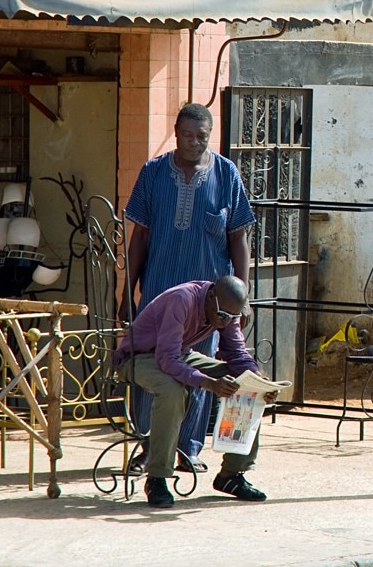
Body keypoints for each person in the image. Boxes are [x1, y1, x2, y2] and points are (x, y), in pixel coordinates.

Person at [124, 102, 256, 472]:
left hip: (209, 304)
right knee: (158, 370)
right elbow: (139, 238)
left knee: (203, 371)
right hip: (159, 293)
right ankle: (149, 448)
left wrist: (241, 297)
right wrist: (126, 293)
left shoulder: (226, 174)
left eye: (202, 136)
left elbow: (239, 237)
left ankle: (188, 448)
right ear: (176, 133)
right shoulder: (153, 173)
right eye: (187, 135)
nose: (195, 142)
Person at [114, 275, 274, 507]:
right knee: (172, 389)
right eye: (222, 315)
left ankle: (232, 475)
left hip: (179, 353)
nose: (224, 321)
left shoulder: (226, 310)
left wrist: (258, 380)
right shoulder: (182, 300)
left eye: (231, 317)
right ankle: (157, 477)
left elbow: (237, 354)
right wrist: (208, 383)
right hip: (138, 357)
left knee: (246, 383)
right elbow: (166, 359)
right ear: (211, 297)